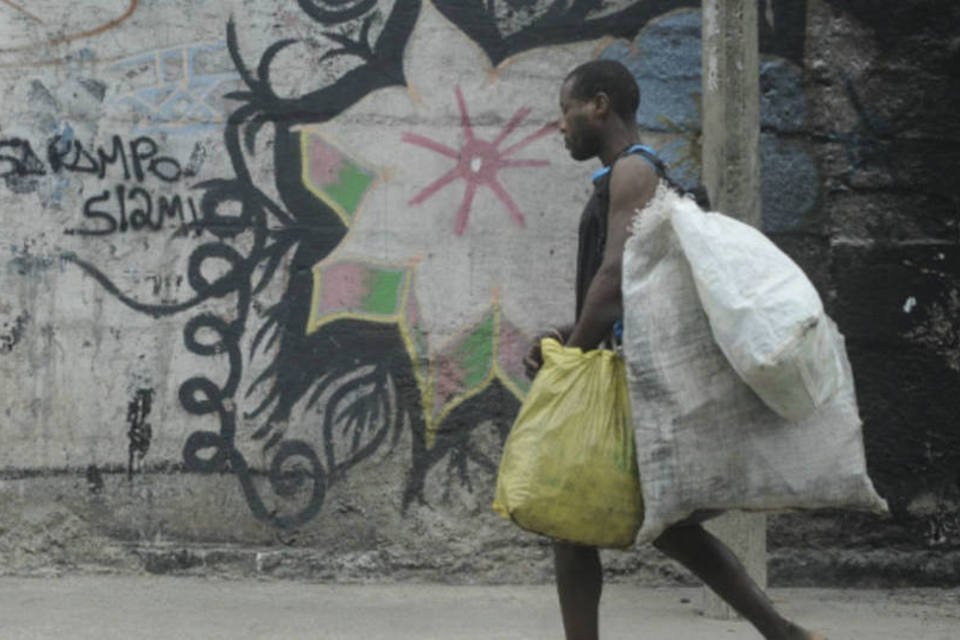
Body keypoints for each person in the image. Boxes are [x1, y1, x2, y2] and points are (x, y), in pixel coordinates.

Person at [523, 59, 823, 640]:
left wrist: (571, 357)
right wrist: (569, 334)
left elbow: (612, 280)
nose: (560, 126)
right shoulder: (627, 178)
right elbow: (625, 289)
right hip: (633, 370)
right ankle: (784, 635)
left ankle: (783, 634)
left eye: (566, 111)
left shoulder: (633, 173)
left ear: (600, 105)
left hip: (640, 384)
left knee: (575, 518)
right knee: (666, 527)